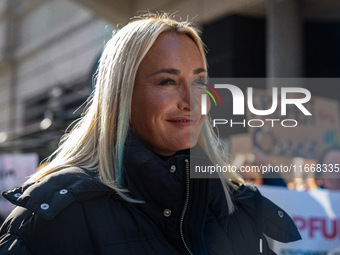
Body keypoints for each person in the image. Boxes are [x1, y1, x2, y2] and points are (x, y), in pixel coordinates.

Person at [0, 13, 301, 254]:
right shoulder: (57, 214)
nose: (190, 100)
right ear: (120, 96)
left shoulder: (232, 203)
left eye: (199, 82)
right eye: (167, 82)